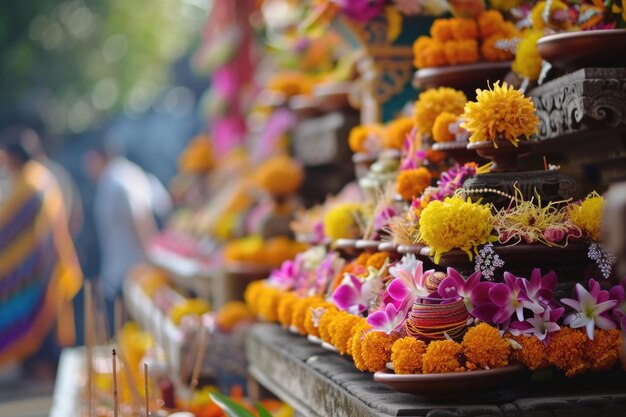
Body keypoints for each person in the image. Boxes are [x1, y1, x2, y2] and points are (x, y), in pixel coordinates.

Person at [0, 137, 83, 379]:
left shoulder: (29, 184)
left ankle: (44, 381)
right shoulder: (41, 177)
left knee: (39, 329)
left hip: (35, 273)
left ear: (15, 157)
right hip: (49, 266)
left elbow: (9, 228)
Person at [84, 138, 172, 306]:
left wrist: (151, 261)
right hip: (126, 271)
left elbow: (140, 218)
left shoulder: (118, 182)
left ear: (100, 156)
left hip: (130, 273)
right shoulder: (122, 176)